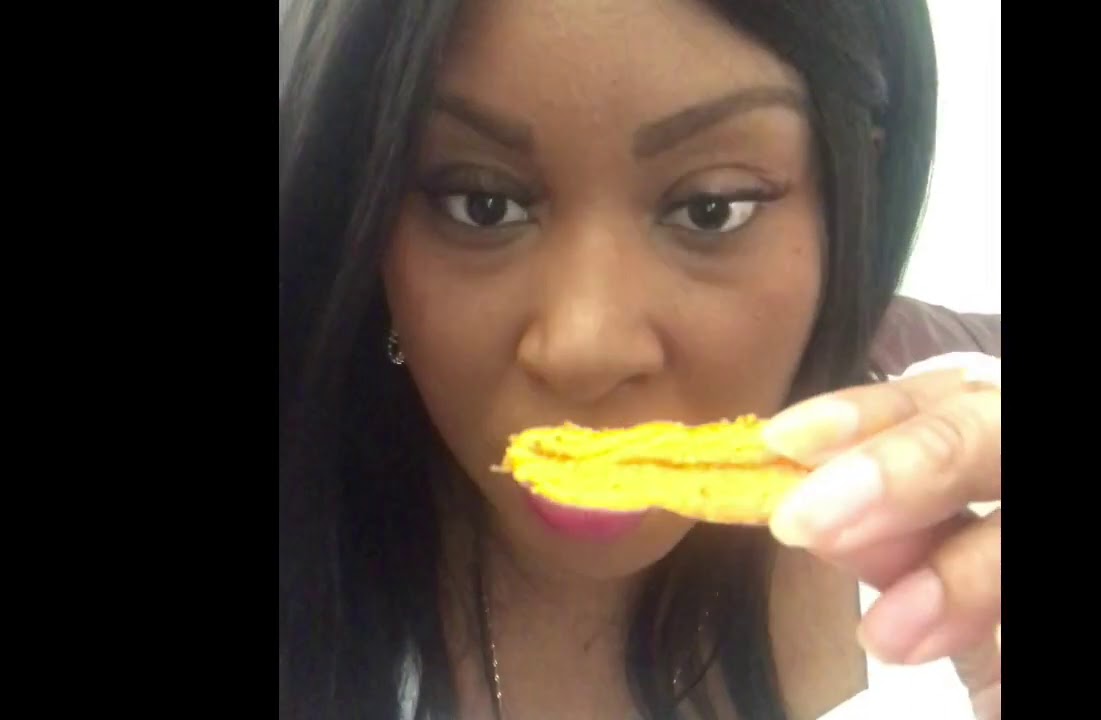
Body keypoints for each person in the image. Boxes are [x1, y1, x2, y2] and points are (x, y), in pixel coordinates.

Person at [278, 1, 1001, 718]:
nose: (584, 350)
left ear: (852, 196)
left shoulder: (966, 534)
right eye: (481, 204)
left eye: (712, 208)